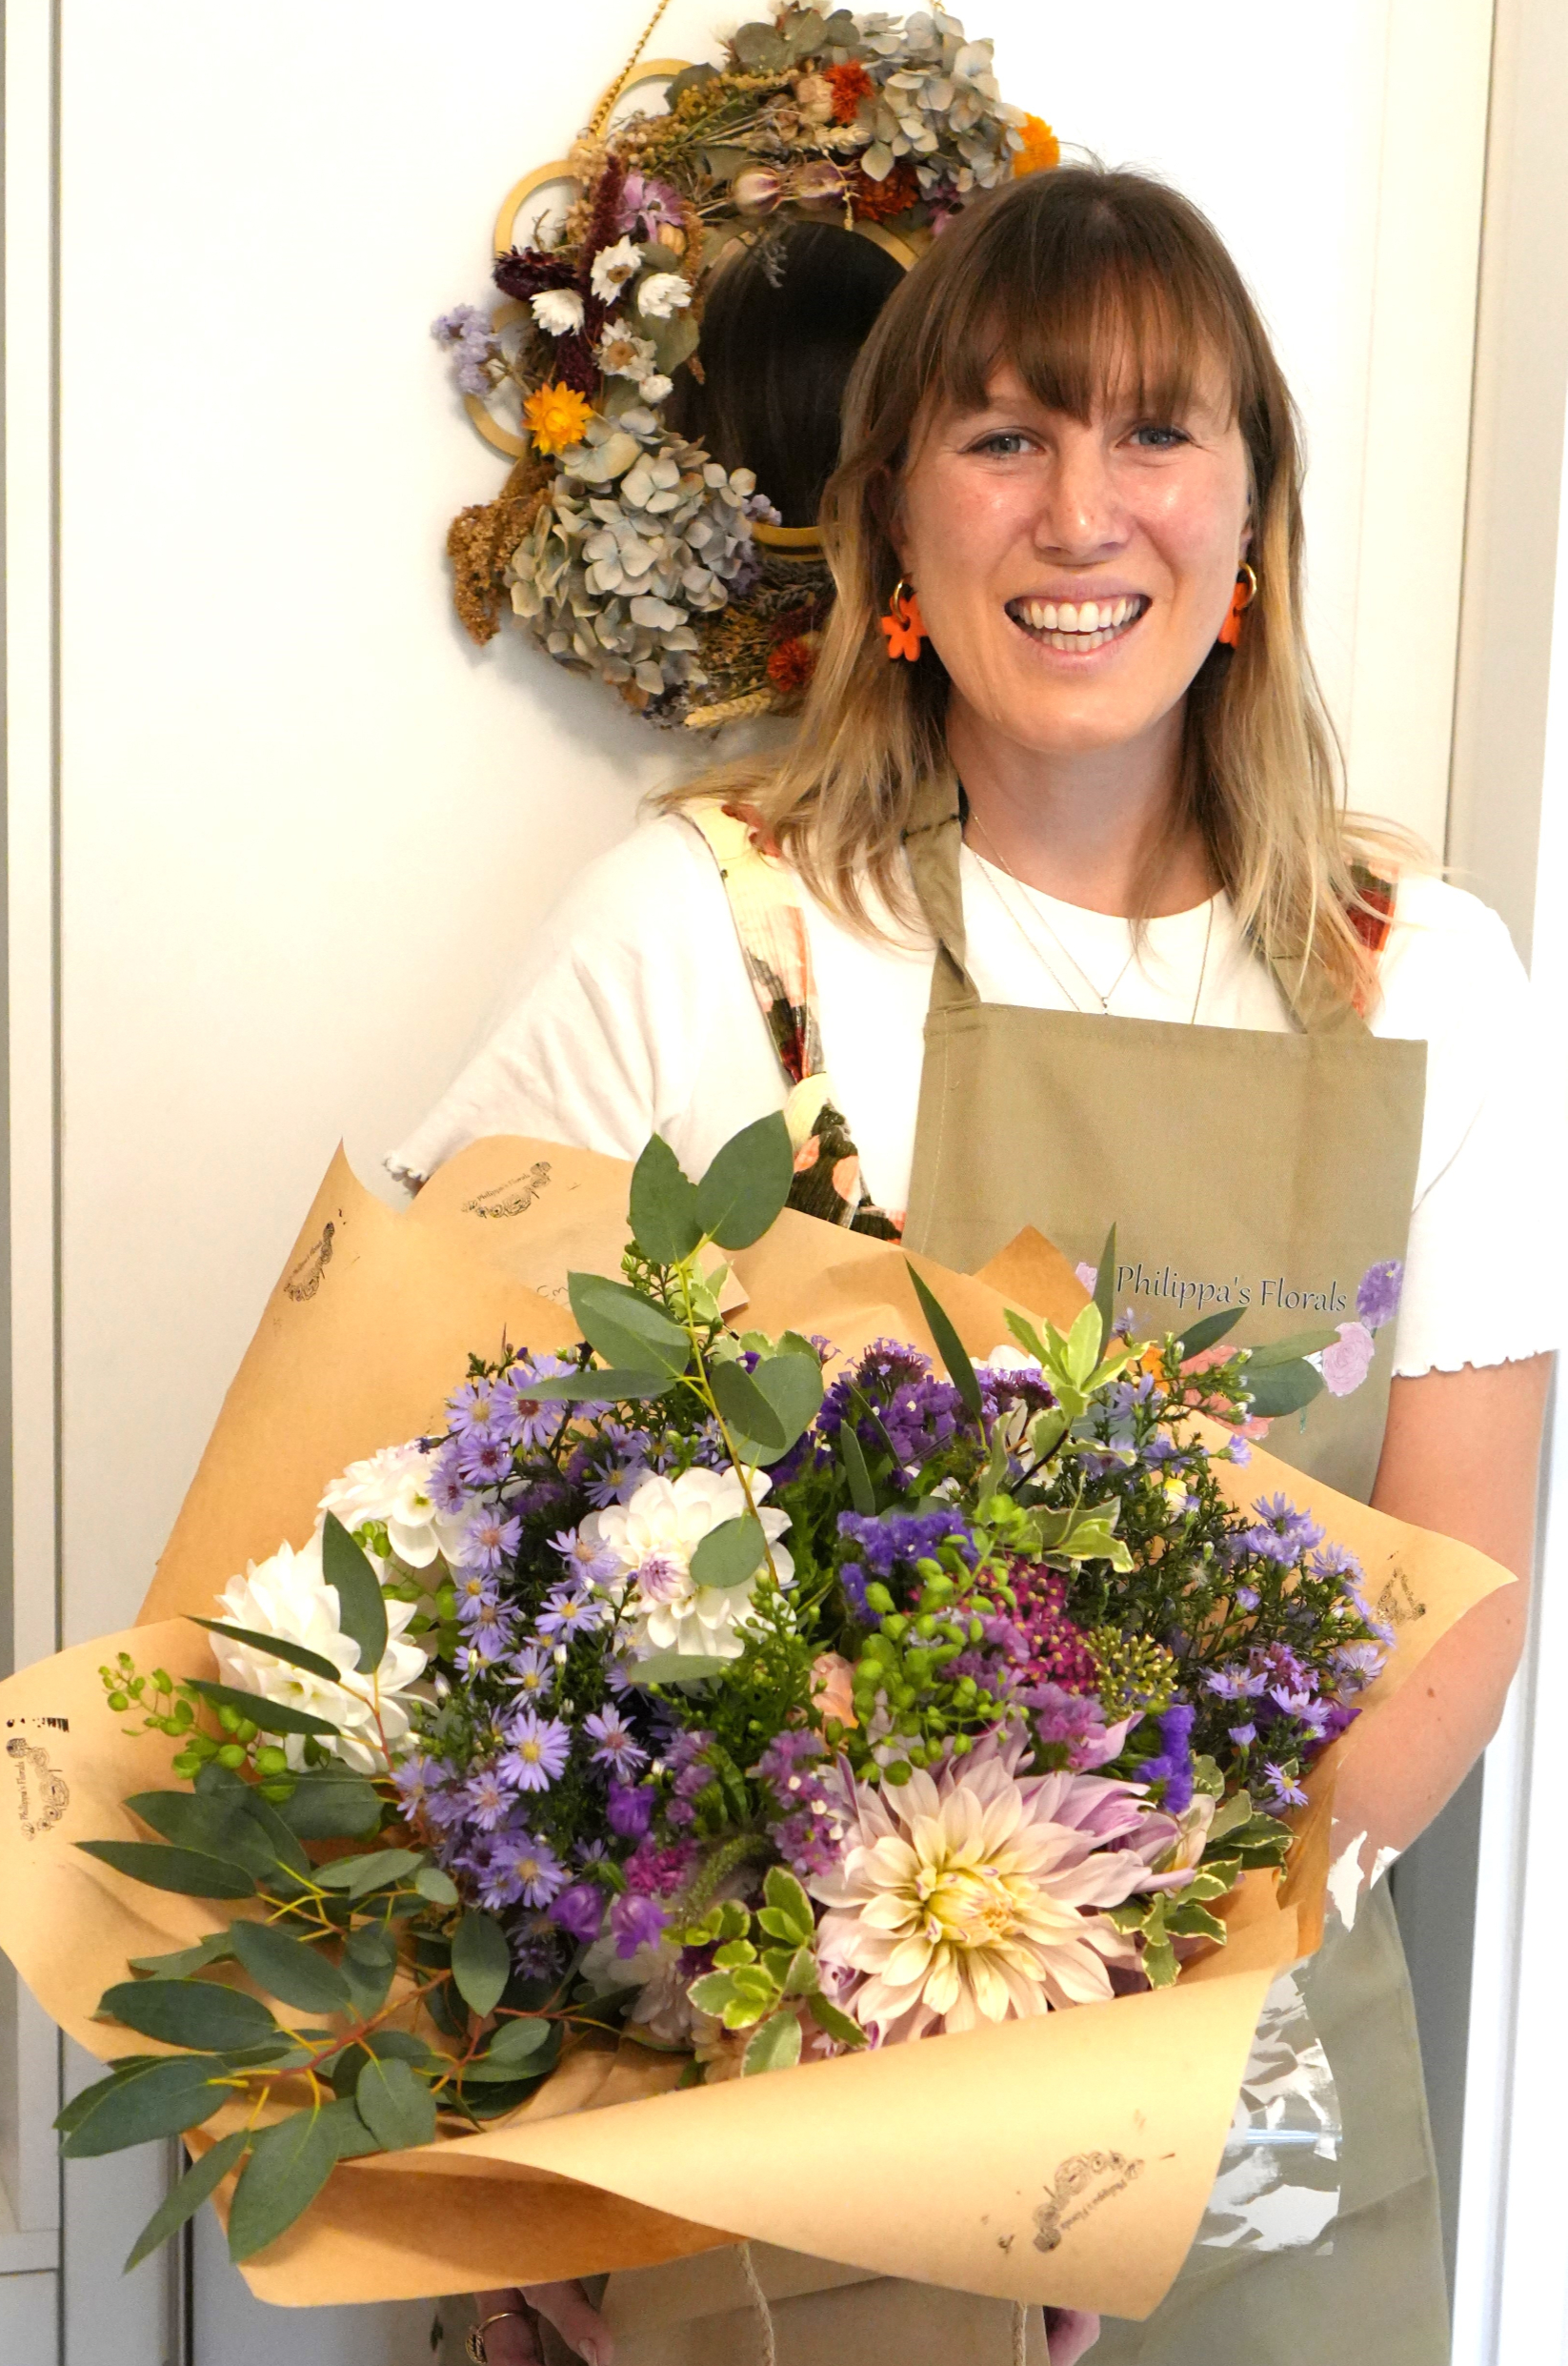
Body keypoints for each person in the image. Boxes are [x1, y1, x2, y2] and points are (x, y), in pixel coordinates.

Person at [397, 165, 1558, 2365]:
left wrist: (1088, 2055)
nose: (1079, 510)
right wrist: (509, 2105)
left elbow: (1455, 1603)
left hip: (1242, 2122)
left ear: (1251, 522)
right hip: (739, 2117)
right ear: (896, 522)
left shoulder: (1425, 978)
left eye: (1152, 431)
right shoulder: (707, 929)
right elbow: (408, 1505)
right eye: (1004, 435)